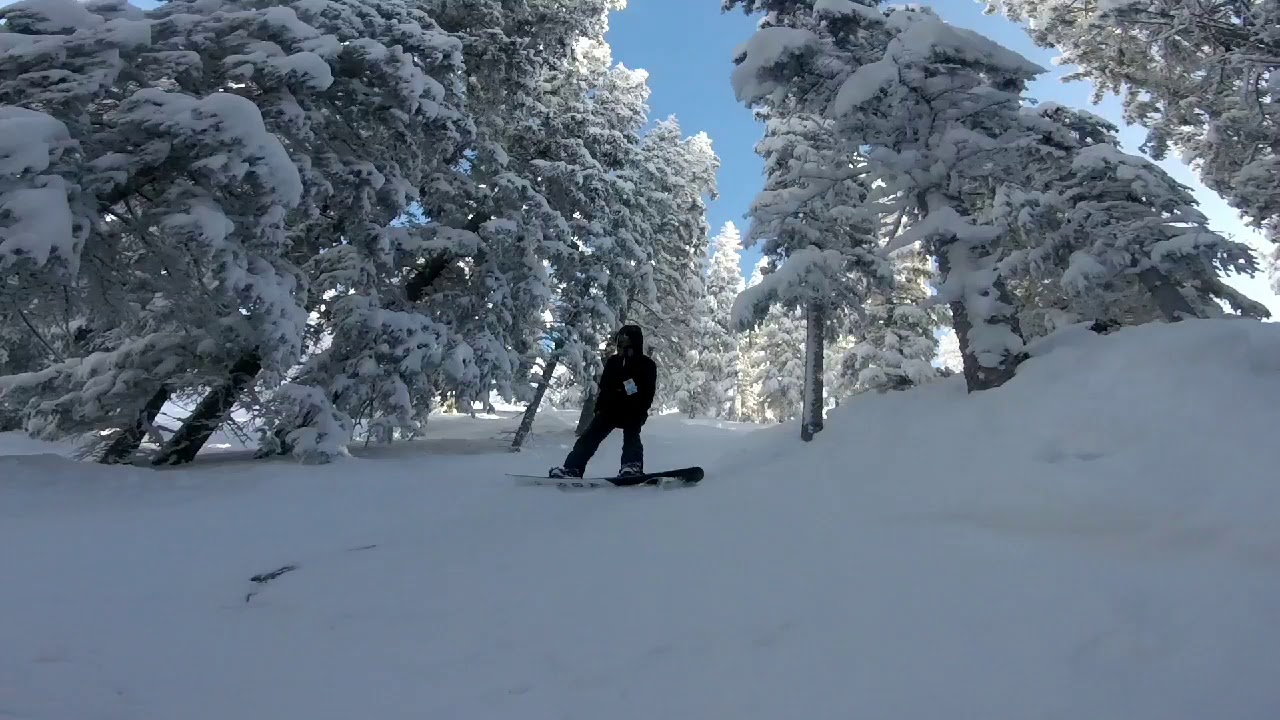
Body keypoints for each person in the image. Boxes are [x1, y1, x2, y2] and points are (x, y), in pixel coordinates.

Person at [549, 324, 657, 478]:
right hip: (610, 410)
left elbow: (648, 392)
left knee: (632, 437)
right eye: (620, 341)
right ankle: (572, 468)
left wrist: (639, 406)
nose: (622, 345)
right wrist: (599, 407)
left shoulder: (647, 365)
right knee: (588, 438)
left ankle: (632, 467)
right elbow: (604, 386)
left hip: (633, 410)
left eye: (626, 341)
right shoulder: (613, 362)